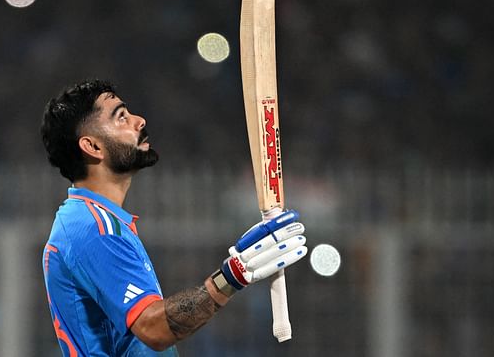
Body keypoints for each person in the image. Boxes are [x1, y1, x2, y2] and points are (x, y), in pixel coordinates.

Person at [40, 80, 307, 356]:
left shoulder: (96, 221)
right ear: (93, 146)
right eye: (121, 116)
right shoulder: (93, 228)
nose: (139, 121)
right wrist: (234, 274)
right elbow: (154, 329)